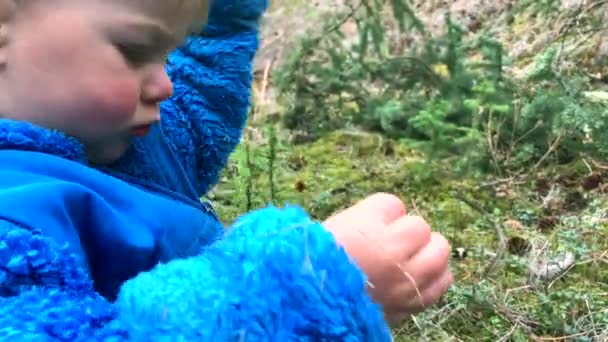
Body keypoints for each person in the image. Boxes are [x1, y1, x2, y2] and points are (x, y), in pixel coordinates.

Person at [0, 0, 452, 339]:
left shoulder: (103, 140)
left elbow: (199, 102)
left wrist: (227, 14)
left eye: (168, 52)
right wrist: (301, 292)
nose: (165, 82)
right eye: (135, 50)